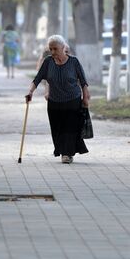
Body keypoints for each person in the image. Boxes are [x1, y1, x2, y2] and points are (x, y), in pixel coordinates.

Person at [26, 35, 90, 164]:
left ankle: (67, 154)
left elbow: (83, 81)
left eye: (55, 49)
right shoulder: (48, 62)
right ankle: (62, 151)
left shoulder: (74, 62)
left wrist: (85, 98)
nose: (53, 52)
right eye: (51, 49)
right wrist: (30, 92)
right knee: (57, 129)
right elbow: (37, 79)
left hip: (72, 100)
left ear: (63, 47)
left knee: (70, 128)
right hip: (54, 102)